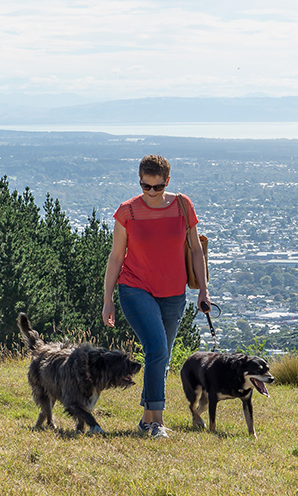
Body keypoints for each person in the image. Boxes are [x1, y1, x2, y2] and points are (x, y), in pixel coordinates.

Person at [101, 154, 211, 438]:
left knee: (161, 355)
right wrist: (108, 299)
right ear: (139, 181)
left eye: (157, 187)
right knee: (157, 348)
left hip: (173, 292)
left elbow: (196, 250)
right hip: (134, 288)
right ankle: (156, 422)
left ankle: (146, 418)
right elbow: (116, 258)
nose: (151, 193)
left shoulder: (182, 206)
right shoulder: (128, 212)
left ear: (167, 182)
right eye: (145, 186)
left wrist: (204, 290)